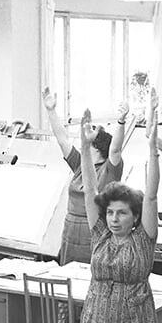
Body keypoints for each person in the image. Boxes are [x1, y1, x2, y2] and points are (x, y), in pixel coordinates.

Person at [65, 92, 162, 323]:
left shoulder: (143, 238)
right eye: (110, 213)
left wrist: (152, 147)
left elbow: (151, 195)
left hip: (132, 322)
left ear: (134, 216)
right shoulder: (101, 235)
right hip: (97, 319)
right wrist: (84, 147)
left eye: (121, 213)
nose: (114, 219)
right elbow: (91, 191)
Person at [42, 87, 125, 266]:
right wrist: (51, 111)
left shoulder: (110, 170)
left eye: (89, 142)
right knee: (68, 272)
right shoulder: (81, 164)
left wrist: (121, 121)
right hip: (71, 229)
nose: (83, 145)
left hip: (94, 228)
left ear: (98, 148)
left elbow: (116, 149)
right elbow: (62, 140)